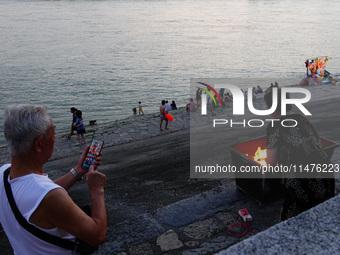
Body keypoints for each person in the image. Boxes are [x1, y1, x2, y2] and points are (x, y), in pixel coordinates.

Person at [0, 105, 107, 254]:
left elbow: (37, 196)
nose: (55, 140)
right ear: (39, 144)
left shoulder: (4, 172)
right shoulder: (49, 196)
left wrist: (78, 171)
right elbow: (97, 235)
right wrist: (97, 190)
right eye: (53, 135)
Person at [264, 89, 334, 221]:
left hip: (301, 180)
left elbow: (271, 164)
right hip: (326, 174)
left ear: (270, 108)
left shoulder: (274, 126)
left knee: (292, 222)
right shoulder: (303, 119)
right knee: (320, 217)